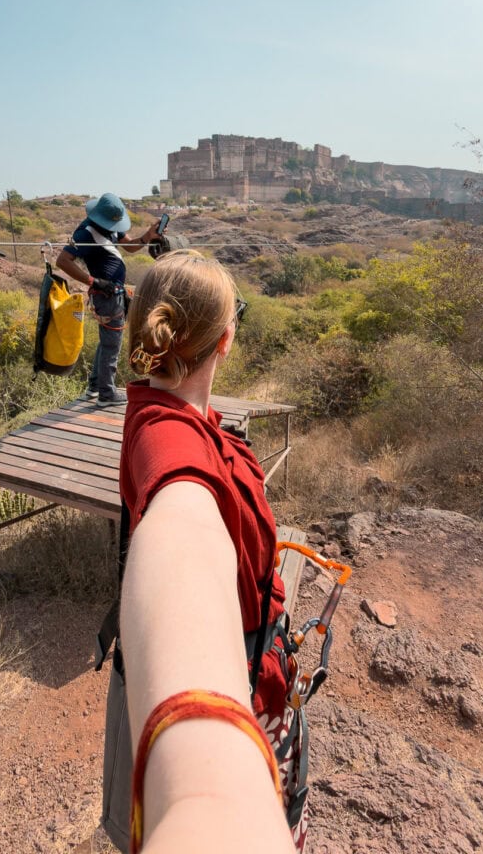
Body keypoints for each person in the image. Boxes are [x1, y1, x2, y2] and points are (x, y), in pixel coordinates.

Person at [118, 250, 305, 854]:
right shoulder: (175, 451)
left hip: (257, 663)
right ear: (225, 340)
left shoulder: (177, 418)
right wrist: (209, 799)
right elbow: (183, 536)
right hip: (248, 688)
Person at [56, 193, 163, 406]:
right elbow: (63, 261)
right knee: (112, 345)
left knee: (106, 343)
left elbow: (130, 247)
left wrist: (147, 236)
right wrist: (93, 282)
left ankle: (95, 388)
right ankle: (107, 394)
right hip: (106, 296)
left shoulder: (110, 227)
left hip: (113, 294)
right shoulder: (85, 233)